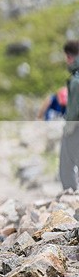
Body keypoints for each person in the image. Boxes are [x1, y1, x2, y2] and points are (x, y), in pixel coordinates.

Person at [59, 40, 79, 189]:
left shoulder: (75, 81)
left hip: (75, 128)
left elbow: (73, 111)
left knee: (66, 164)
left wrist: (68, 129)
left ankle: (70, 197)